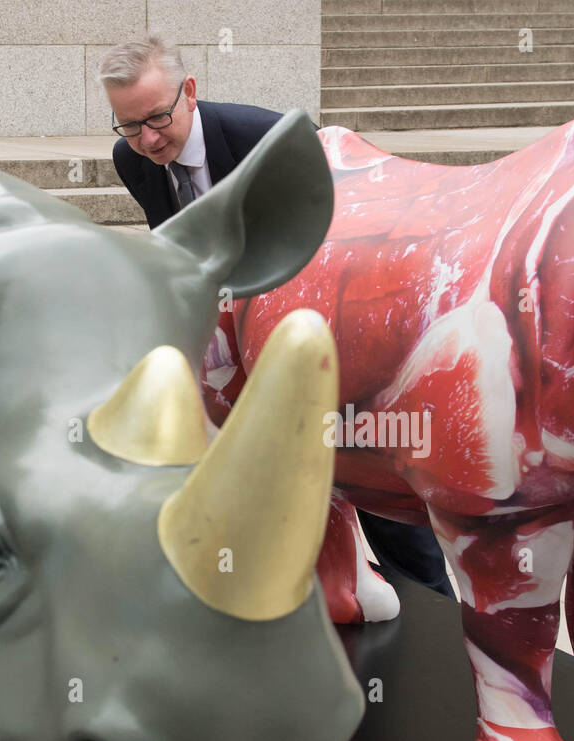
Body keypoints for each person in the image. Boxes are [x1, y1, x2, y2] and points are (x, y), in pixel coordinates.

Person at [98, 36, 455, 601]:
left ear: (190, 92)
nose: (146, 139)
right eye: (128, 126)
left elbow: (353, 231)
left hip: (331, 336)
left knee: (375, 490)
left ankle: (433, 614)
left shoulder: (272, 141)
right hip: (241, 351)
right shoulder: (133, 160)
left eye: (157, 118)